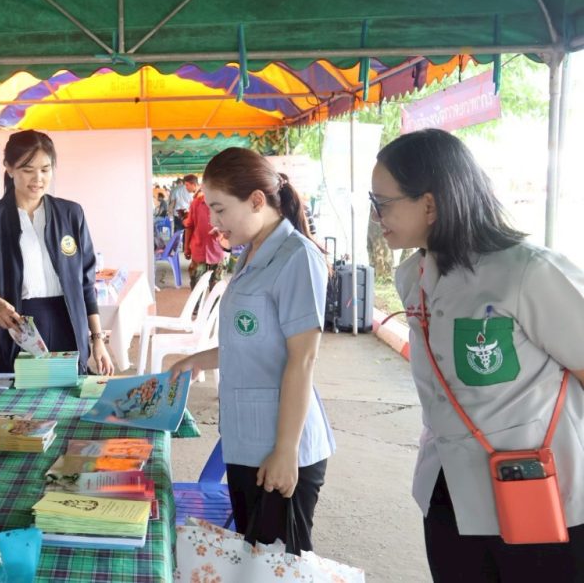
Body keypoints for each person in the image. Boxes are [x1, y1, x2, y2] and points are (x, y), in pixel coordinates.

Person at [372, 128, 584, 580]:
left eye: (383, 202)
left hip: (539, 496)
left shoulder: (526, 271)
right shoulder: (414, 276)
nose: (377, 216)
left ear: (430, 204)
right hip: (448, 492)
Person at [171, 147, 334, 553]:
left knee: (280, 566)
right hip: (248, 440)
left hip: (279, 447)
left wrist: (286, 451)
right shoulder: (252, 252)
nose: (214, 222)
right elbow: (251, 342)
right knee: (253, 559)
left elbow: (303, 359)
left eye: (220, 209)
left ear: (257, 200)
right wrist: (197, 360)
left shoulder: (297, 258)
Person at [0, 129, 114, 376]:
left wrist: (97, 339)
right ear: (9, 168)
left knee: (68, 393)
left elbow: (86, 283)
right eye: (27, 170)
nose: (38, 179)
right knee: (21, 397)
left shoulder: (71, 214)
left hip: (68, 324)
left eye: (45, 169)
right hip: (15, 329)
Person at [183, 185, 225, 291]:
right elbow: (189, 226)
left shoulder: (224, 204)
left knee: (216, 288)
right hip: (198, 249)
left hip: (217, 250)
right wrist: (186, 247)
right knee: (196, 286)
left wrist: (221, 231)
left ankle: (214, 302)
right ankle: (197, 302)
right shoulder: (195, 204)